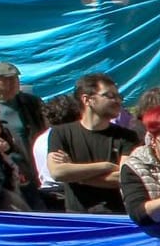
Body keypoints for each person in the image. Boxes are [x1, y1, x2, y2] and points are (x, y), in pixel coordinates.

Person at [46, 72, 136, 214]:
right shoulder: (61, 133)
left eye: (119, 96)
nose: (117, 101)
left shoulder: (127, 136)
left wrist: (76, 175)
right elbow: (57, 172)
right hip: (78, 217)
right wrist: (105, 166)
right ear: (87, 100)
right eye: (110, 96)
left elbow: (124, 176)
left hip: (117, 215)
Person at [0, 62, 45, 182]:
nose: (13, 83)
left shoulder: (32, 103)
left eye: (15, 78)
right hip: (10, 170)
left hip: (36, 163)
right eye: (6, 80)